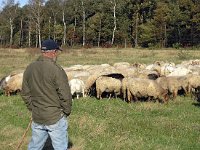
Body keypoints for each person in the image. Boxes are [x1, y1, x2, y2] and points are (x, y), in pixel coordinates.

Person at [21, 39, 72, 150]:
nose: (57, 54)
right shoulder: (56, 70)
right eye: (57, 52)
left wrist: (33, 108)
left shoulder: (30, 68)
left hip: (37, 116)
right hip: (55, 117)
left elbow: (25, 93)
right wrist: (66, 111)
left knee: (35, 146)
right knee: (60, 147)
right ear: (53, 52)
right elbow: (65, 94)